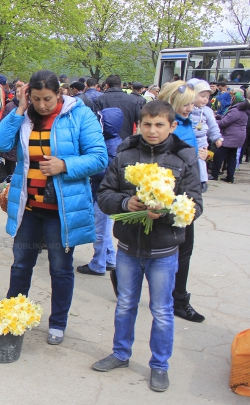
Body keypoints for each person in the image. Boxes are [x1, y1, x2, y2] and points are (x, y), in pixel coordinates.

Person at [93, 100, 203, 393]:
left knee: (162, 310)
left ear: (172, 126)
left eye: (159, 125)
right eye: (147, 124)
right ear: (138, 125)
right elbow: (105, 195)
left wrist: (165, 212)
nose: (152, 131)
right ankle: (120, 353)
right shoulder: (125, 153)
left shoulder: (185, 157)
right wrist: (126, 202)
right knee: (125, 304)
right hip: (128, 247)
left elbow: (195, 205)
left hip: (164, 251)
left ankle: (159, 365)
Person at [0, 70, 107, 344]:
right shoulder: (25, 116)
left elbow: (99, 158)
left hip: (62, 211)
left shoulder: (79, 115)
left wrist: (65, 165)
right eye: (36, 99)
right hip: (28, 207)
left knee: (60, 267)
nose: (42, 105)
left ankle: (57, 323)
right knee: (21, 264)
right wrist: (20, 108)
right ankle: (13, 313)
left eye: (48, 99)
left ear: (60, 94)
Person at [156, 80, 205, 323]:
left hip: (186, 194)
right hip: (166, 195)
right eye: (185, 104)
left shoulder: (185, 124)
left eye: (191, 104)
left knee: (184, 250)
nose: (190, 108)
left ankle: (179, 299)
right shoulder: (165, 125)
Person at [76, 106, 123, 279]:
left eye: (101, 121)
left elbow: (104, 170)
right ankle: (109, 259)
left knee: (100, 230)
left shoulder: (110, 145)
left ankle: (98, 264)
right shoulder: (112, 142)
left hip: (103, 193)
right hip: (103, 192)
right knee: (104, 227)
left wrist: (87, 167)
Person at [186, 79, 221, 192]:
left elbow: (213, 126)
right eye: (202, 96)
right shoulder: (187, 109)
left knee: (200, 159)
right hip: (188, 139)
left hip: (201, 140)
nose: (206, 99)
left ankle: (202, 181)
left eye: (207, 97)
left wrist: (217, 137)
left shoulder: (207, 111)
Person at [213, 90, 249, 184]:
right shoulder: (242, 109)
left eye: (232, 97)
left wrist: (212, 121)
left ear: (234, 99)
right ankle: (230, 177)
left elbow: (224, 123)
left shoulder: (236, 110)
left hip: (231, 136)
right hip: (238, 136)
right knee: (231, 156)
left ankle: (214, 174)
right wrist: (219, 116)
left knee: (218, 154)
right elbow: (228, 119)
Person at [93, 74, 142, 140]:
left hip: (106, 140)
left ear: (107, 85)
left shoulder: (99, 100)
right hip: (127, 140)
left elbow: (96, 122)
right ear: (120, 85)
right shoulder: (133, 100)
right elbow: (139, 121)